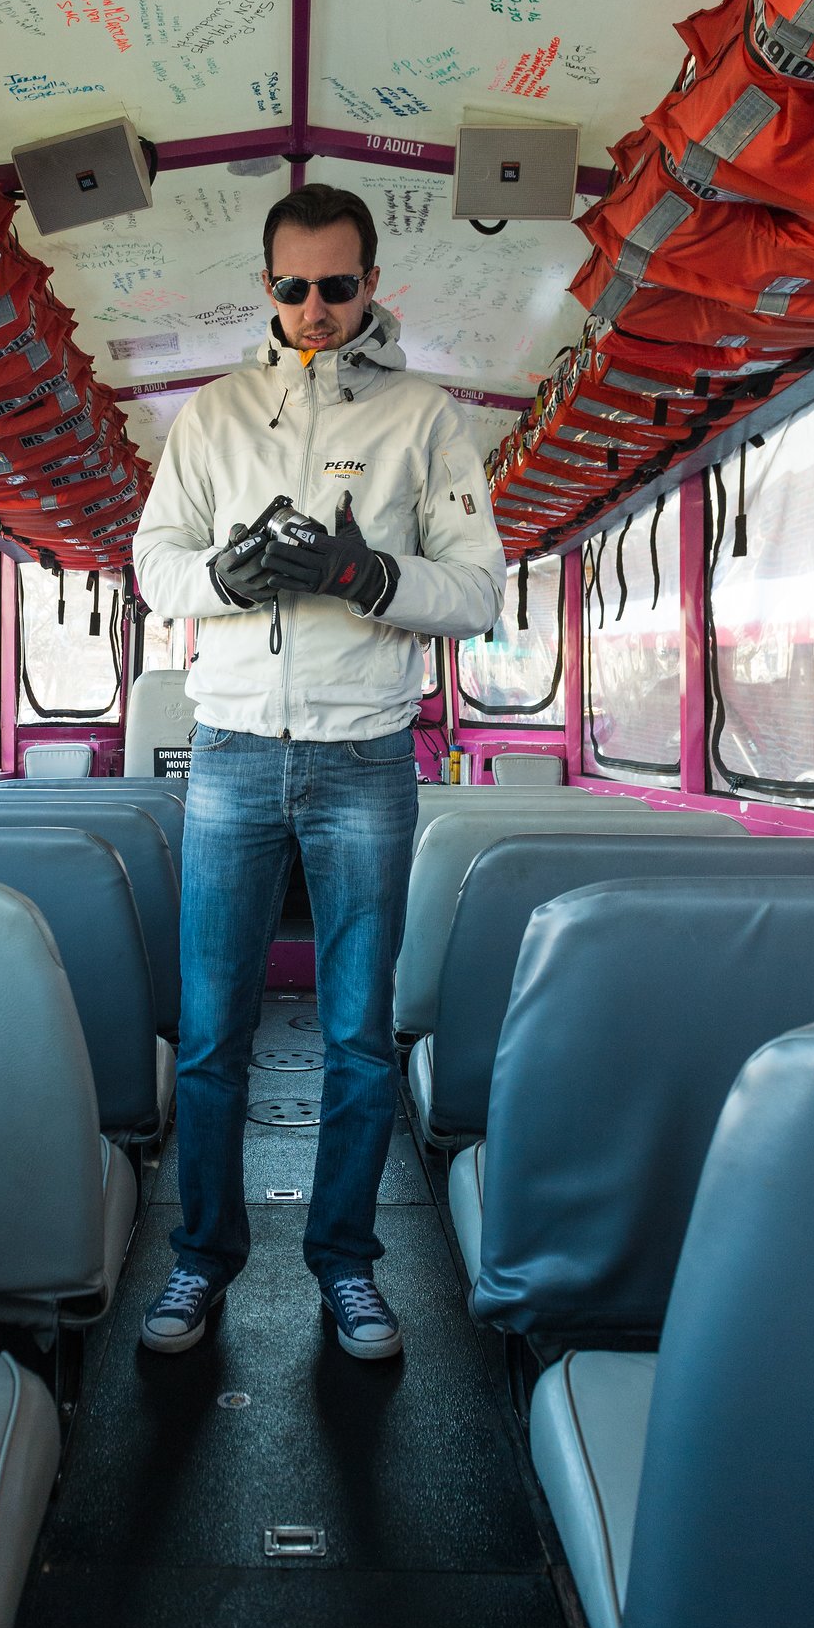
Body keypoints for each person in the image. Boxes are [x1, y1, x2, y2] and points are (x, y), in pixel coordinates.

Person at [131, 182, 506, 1360]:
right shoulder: (211, 417)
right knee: (209, 1035)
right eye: (290, 287)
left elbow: (477, 590)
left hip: (362, 757)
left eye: (334, 287)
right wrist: (227, 576)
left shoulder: (425, 419)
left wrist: (365, 576)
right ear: (265, 285)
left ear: (369, 284)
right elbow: (154, 563)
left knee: (352, 1036)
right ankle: (199, 1262)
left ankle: (345, 1266)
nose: (310, 308)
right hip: (235, 750)